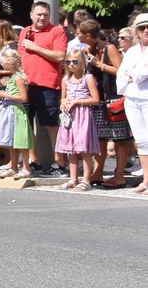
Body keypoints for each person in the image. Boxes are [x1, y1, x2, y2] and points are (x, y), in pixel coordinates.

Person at [78, 19, 133, 188]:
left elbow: (121, 71)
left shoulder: (110, 48)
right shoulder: (88, 49)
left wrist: (99, 65)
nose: (76, 35)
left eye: (79, 33)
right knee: (100, 138)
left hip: (114, 97)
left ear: (88, 35)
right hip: (99, 98)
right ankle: (98, 172)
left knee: (119, 139)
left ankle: (119, 175)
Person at [17, 1, 68, 176]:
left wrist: (35, 48)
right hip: (26, 85)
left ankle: (59, 163)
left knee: (51, 125)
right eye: (38, 14)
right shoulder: (25, 31)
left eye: (45, 14)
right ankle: (34, 161)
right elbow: (20, 57)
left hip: (47, 85)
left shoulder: (56, 31)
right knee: (27, 124)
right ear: (31, 15)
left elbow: (60, 56)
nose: (42, 17)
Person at [56, 49, 101, 190]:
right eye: (68, 62)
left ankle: (86, 179)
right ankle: (73, 178)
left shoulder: (88, 78)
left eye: (75, 61)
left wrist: (77, 101)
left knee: (84, 148)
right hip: (69, 116)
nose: (71, 65)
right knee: (71, 149)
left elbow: (96, 99)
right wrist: (63, 102)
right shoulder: (65, 79)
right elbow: (63, 96)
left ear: (82, 62)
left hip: (82, 115)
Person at [0, 50, 32, 178]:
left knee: (21, 141)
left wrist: (4, 94)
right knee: (11, 142)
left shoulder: (18, 78)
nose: (1, 65)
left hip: (17, 111)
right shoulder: (13, 76)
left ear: (8, 63)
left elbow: (23, 97)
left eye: (3, 62)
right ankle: (13, 167)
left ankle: (26, 169)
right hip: (9, 111)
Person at [118, 13, 148, 194]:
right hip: (132, 98)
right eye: (142, 28)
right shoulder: (132, 51)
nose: (145, 31)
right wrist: (134, 75)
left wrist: (134, 74)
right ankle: (146, 180)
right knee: (142, 140)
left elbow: (139, 74)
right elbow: (123, 75)